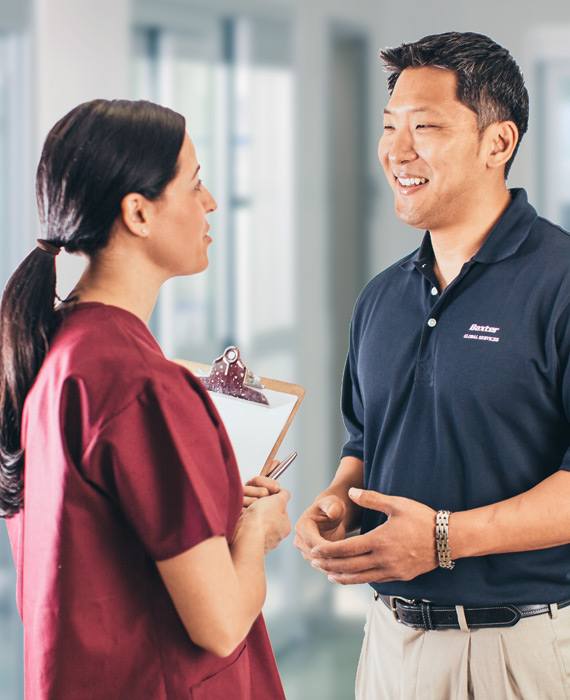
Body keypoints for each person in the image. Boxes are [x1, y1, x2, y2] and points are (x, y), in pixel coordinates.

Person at [295, 31, 570, 699]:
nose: (397, 151)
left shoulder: (560, 280)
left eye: (425, 127)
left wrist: (445, 539)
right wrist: (338, 500)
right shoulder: (381, 298)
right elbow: (365, 441)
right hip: (390, 647)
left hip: (521, 653)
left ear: (496, 144)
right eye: (390, 127)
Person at [0, 98, 291, 698]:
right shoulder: (141, 384)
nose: (210, 203)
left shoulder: (59, 354)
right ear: (138, 212)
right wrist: (256, 530)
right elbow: (219, 623)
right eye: (196, 183)